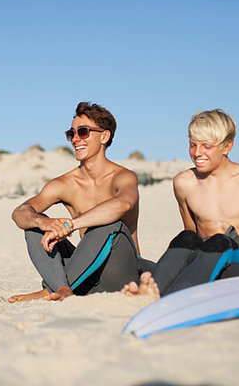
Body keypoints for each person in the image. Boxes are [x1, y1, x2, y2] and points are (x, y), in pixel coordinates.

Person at [122, 109, 239, 299]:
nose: (197, 153)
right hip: (205, 262)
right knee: (186, 237)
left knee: (220, 240)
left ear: (227, 147)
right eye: (192, 145)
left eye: (206, 146)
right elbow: (192, 235)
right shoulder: (184, 183)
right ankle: (152, 290)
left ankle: (174, 295)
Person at [9, 101, 152, 303]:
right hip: (85, 277)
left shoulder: (123, 176)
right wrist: (44, 223)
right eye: (71, 133)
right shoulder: (65, 183)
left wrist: (70, 225)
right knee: (33, 224)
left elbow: (123, 204)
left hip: (121, 272)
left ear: (104, 136)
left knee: (108, 223)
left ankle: (48, 290)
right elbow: (20, 212)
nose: (75, 139)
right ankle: (62, 288)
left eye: (83, 132)